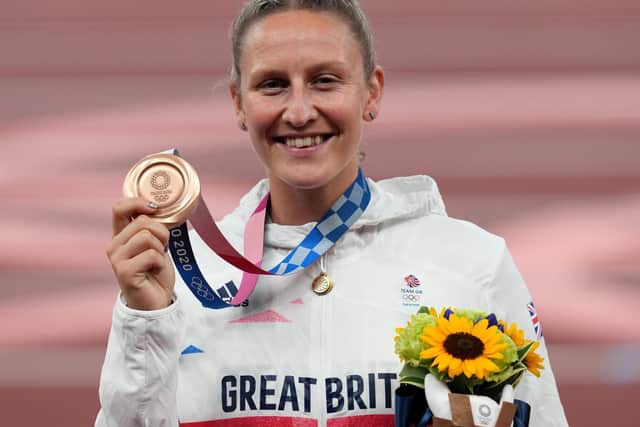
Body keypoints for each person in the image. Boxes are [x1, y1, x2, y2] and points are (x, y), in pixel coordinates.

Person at [96, 1, 568, 426]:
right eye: (272, 85)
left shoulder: (470, 264)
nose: (299, 112)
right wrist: (144, 320)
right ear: (239, 103)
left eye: (325, 80)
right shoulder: (183, 278)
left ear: (372, 93)